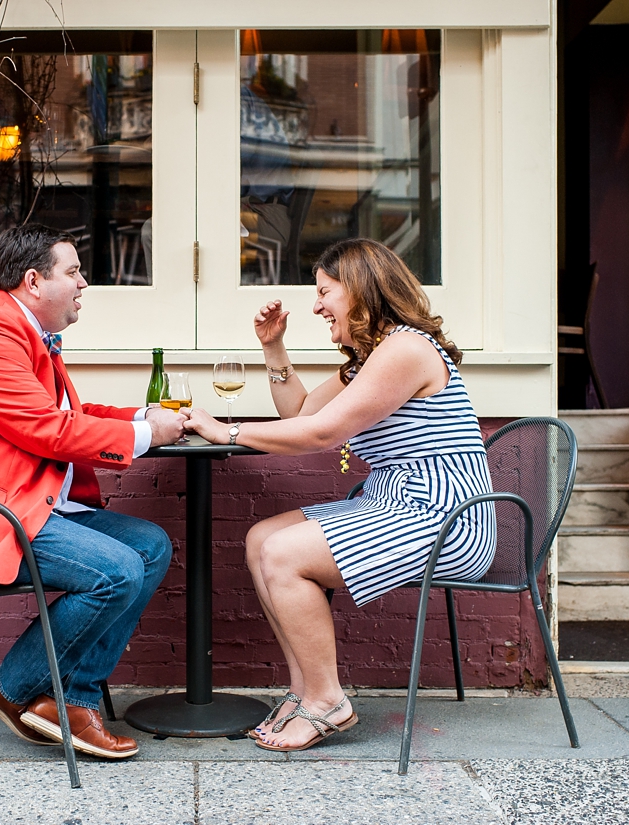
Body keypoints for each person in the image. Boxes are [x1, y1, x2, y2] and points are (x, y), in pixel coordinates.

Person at [0, 224, 189, 760]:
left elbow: (65, 415)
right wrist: (145, 435)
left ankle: (68, 698)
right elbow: (48, 431)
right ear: (33, 282)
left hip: (15, 499)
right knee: (116, 571)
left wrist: (145, 416)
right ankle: (16, 686)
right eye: (73, 272)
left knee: (150, 545)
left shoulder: (25, 332)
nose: (84, 283)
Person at [184, 237, 496, 752]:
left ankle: (329, 701)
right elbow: (301, 413)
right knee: (263, 536)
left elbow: (320, 435)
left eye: (325, 291)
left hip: (446, 515)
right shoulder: (375, 355)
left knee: (284, 555)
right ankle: (306, 691)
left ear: (360, 289)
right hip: (396, 501)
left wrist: (230, 432)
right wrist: (272, 347)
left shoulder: (407, 349)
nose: (316, 305)